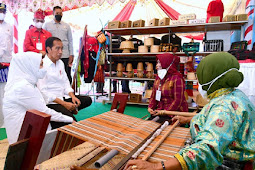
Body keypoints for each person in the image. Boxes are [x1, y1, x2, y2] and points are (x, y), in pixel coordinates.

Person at [124, 52, 255, 170]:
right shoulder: (233, 94)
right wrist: (189, 119)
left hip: (229, 163)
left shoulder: (223, 108)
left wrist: (158, 166)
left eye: (201, 75)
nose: (198, 81)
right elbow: (218, 123)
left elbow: (207, 150)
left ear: (211, 77)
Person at [3, 52, 74, 144]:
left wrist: (63, 104)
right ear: (30, 66)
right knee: (66, 128)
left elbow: (45, 96)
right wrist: (69, 119)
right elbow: (44, 111)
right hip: (23, 138)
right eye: (40, 65)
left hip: (29, 130)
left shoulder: (27, 83)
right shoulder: (22, 87)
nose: (43, 68)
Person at [37, 37, 92, 129]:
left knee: (87, 100)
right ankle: (60, 116)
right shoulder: (42, 65)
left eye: (62, 48)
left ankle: (68, 110)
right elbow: (44, 93)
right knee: (72, 123)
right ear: (48, 49)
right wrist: (64, 104)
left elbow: (66, 83)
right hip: (51, 103)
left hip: (63, 98)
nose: (60, 52)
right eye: (57, 48)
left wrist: (73, 97)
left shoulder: (60, 63)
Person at [148, 53, 188, 123]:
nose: (157, 65)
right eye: (157, 62)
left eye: (159, 63)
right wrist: (151, 107)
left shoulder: (177, 78)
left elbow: (178, 100)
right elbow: (154, 95)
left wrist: (165, 111)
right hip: (161, 111)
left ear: (166, 63)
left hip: (175, 113)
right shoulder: (158, 77)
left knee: (160, 127)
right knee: (149, 124)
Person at [43, 6, 74, 83]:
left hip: (65, 54)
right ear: (53, 13)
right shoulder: (47, 25)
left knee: (66, 75)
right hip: (53, 55)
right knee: (54, 74)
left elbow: (70, 40)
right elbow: (45, 40)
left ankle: (67, 93)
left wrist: (71, 54)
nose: (59, 15)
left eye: (60, 13)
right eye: (57, 13)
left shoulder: (66, 26)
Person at [0, 3, 13, 128]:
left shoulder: (9, 26)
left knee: (5, 93)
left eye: (3, 11)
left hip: (5, 64)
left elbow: (10, 46)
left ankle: (4, 121)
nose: (1, 13)